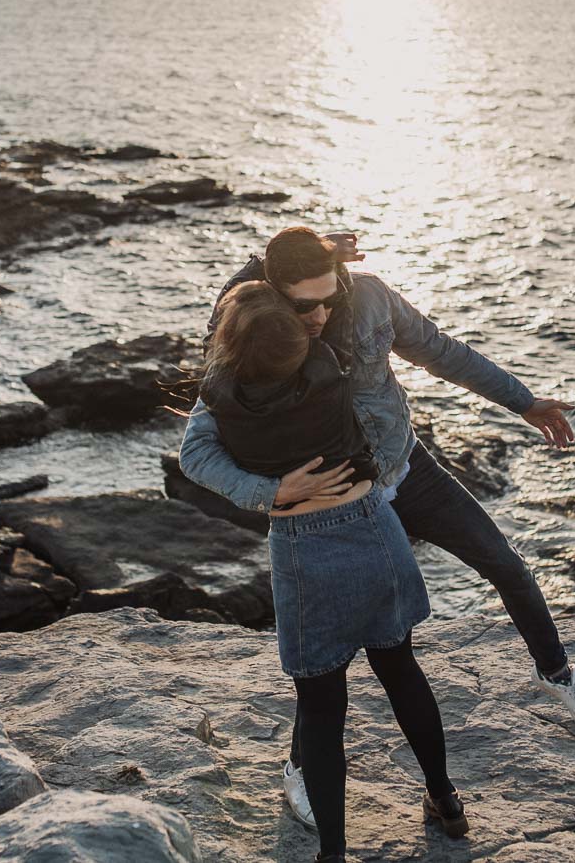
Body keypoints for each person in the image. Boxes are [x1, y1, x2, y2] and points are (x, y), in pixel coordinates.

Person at [181, 227, 575, 830]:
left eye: (329, 296)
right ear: (273, 291)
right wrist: (272, 493)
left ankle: (559, 676)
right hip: (336, 507)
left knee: (505, 563)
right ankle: (301, 770)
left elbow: (442, 351)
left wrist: (523, 402)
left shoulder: (371, 299)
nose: (319, 313)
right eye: (303, 303)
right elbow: (199, 445)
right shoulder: (258, 333)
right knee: (324, 665)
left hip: (406, 469)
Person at [196, 280, 467, 862]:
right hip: (374, 524)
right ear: (297, 334)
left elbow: (196, 453)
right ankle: (445, 799)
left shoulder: (220, 394)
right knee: (400, 667)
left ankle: (334, 854)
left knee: (321, 708)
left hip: (303, 546)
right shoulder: (331, 364)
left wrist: (271, 491)